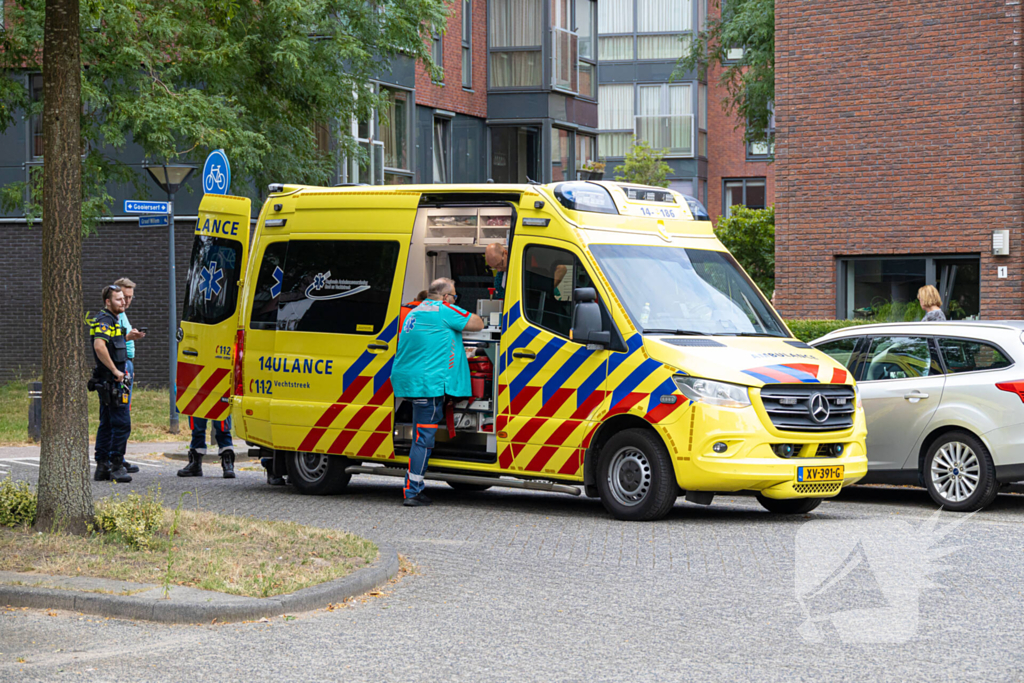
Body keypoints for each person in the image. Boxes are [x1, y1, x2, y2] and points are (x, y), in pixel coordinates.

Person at [390, 278, 484, 506]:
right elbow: (478, 323)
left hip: (410, 382)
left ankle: (413, 488)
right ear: (445, 297)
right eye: (454, 296)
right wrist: (455, 307)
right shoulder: (444, 309)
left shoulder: (414, 311)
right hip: (428, 384)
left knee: (420, 436)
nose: (455, 299)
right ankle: (412, 491)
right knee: (423, 440)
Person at [90, 285, 136, 483]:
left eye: (124, 299)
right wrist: (116, 371)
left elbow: (111, 344)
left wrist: (129, 338)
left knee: (108, 423)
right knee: (121, 424)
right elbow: (99, 346)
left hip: (113, 380)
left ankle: (102, 467)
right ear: (108, 302)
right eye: (118, 299)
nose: (123, 302)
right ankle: (116, 466)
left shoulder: (113, 320)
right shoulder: (104, 320)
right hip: (112, 381)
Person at [113, 277, 145, 474]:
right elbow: (110, 339)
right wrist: (128, 337)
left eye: (130, 297)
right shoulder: (113, 316)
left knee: (125, 408)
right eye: (123, 297)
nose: (127, 301)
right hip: (122, 366)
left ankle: (119, 456)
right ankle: (114, 458)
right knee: (121, 411)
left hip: (128, 364)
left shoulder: (122, 314)